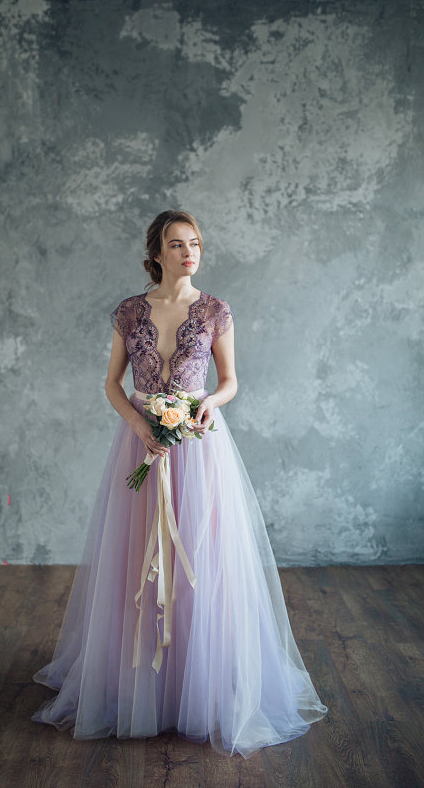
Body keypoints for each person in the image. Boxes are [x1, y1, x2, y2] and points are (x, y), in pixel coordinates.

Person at [31, 209, 327, 757]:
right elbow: (113, 384)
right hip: (142, 442)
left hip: (198, 443)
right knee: (139, 559)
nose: (189, 252)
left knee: (200, 555)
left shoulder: (215, 310)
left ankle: (199, 683)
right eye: (177, 244)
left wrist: (207, 406)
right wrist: (142, 426)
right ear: (157, 253)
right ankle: (141, 683)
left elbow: (231, 382)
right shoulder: (129, 312)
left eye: (195, 243)